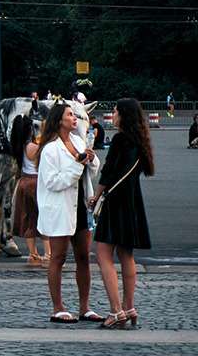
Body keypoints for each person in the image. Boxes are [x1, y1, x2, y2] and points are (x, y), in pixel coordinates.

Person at [36, 101, 104, 324]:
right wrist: (77, 166)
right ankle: (58, 307)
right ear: (59, 121)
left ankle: (85, 307)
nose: (75, 118)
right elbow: (53, 182)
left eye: (75, 115)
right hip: (59, 208)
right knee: (58, 257)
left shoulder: (77, 140)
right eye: (70, 115)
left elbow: (89, 173)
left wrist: (92, 161)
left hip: (81, 206)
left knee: (84, 256)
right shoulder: (49, 149)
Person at [89, 98, 154, 329]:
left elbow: (108, 172)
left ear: (123, 115)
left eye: (115, 111)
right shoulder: (140, 140)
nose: (113, 115)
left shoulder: (119, 139)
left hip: (116, 201)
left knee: (103, 254)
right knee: (127, 256)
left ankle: (116, 310)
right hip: (133, 202)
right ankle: (129, 306)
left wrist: (96, 197)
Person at [10, 113, 48, 266]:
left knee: (29, 220)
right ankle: (49, 254)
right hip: (36, 182)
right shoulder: (33, 146)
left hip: (24, 181)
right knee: (44, 219)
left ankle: (33, 255)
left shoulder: (20, 146)